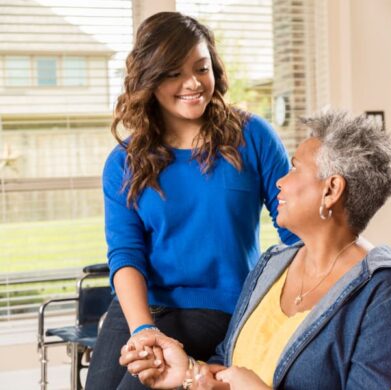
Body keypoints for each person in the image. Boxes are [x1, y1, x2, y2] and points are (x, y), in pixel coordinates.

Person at [119, 109, 391, 389]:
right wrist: (188, 373)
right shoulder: (272, 265)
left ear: (331, 190)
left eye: (295, 169)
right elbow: (226, 362)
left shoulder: (389, 296)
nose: (280, 182)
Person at [85, 12, 297, 389]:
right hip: (139, 307)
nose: (192, 83)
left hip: (218, 306)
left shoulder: (253, 137)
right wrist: (144, 330)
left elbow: (295, 228)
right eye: (173, 73)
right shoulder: (123, 161)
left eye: (201, 68)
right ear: (149, 79)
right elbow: (125, 253)